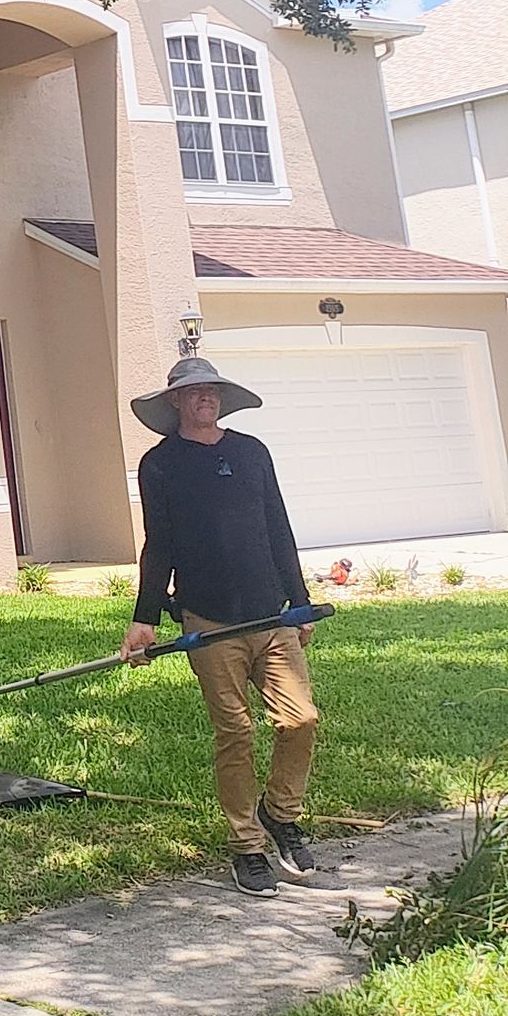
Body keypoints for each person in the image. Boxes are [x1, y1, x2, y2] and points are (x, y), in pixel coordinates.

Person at [121, 353, 320, 896]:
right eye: (193, 392)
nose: (204, 398)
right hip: (208, 621)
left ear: (220, 399)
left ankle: (280, 814)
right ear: (177, 402)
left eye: (211, 391)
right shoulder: (160, 464)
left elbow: (278, 526)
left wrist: (298, 601)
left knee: (300, 720)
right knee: (236, 731)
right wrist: (144, 618)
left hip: (271, 615)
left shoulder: (252, 453)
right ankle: (247, 846)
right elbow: (157, 544)